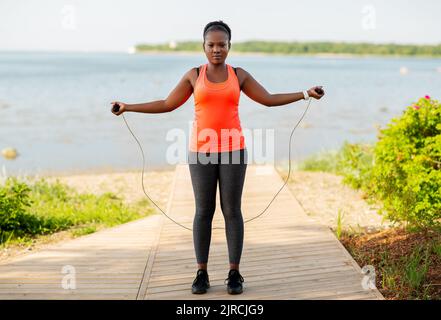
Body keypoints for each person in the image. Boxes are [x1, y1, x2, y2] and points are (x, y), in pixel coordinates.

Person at [111, 20, 324, 295]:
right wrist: (128, 107)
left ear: (229, 46)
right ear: (203, 46)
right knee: (203, 212)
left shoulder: (239, 75)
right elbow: (167, 104)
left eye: (221, 45)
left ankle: (234, 273)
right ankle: (201, 273)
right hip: (201, 153)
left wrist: (305, 93)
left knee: (232, 211)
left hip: (234, 151)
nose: (216, 50)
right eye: (211, 45)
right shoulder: (193, 75)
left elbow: (268, 99)